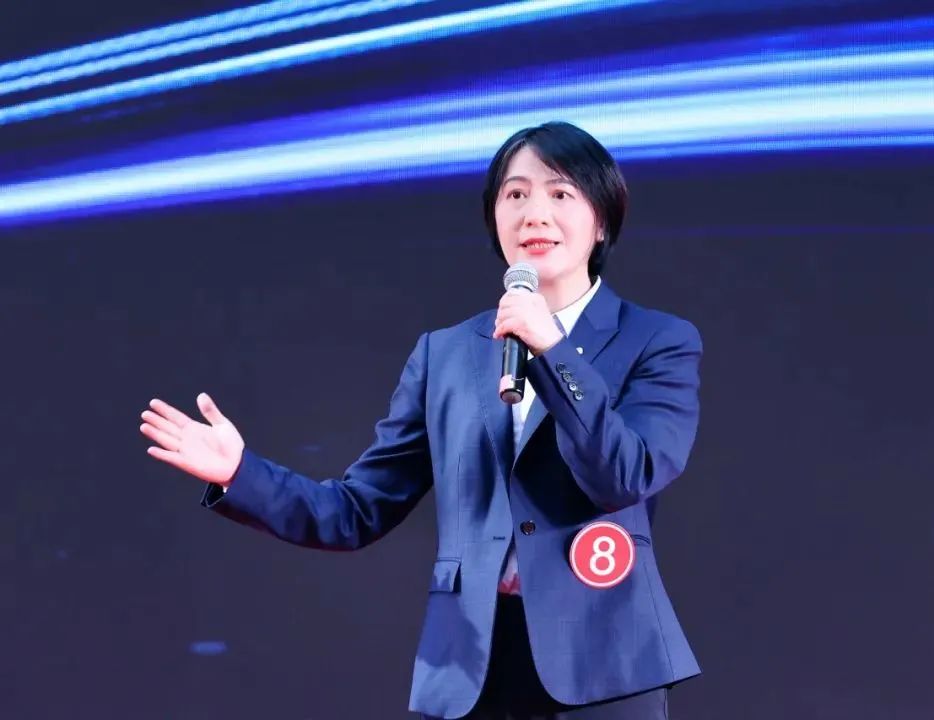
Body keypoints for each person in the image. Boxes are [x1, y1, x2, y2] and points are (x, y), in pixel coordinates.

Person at [140, 121, 703, 719]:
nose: (534, 214)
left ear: (602, 221)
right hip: (468, 666)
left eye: (560, 193)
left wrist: (552, 350)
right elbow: (356, 510)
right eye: (515, 194)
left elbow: (626, 475)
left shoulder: (657, 341)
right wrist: (240, 473)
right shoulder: (447, 354)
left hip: (608, 664)